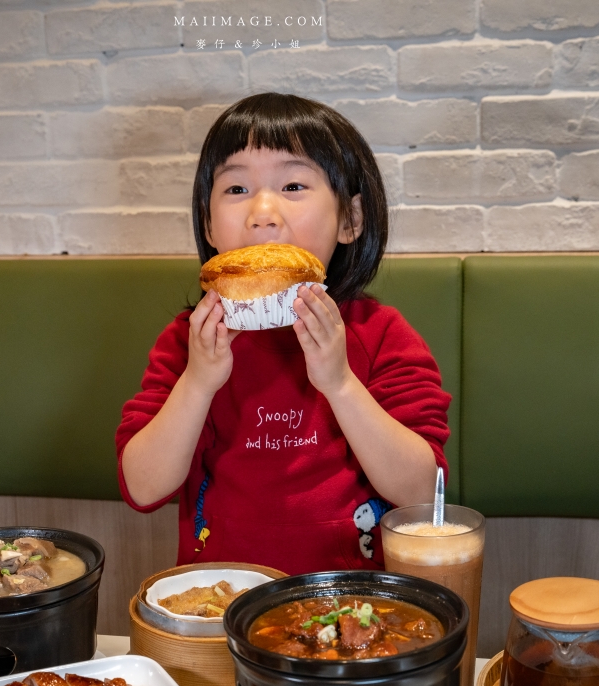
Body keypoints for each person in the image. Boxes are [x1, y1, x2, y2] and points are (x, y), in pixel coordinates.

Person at [115, 93, 451, 575]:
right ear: (209, 225)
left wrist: (340, 384)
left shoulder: (379, 335)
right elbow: (143, 488)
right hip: (222, 604)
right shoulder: (189, 340)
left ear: (350, 220)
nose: (263, 212)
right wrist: (198, 382)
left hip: (352, 605)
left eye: (293, 185)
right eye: (235, 190)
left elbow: (423, 495)